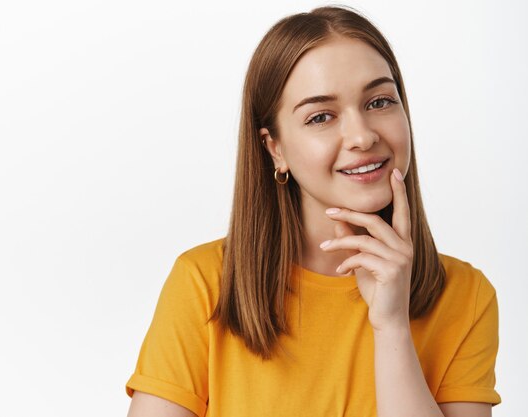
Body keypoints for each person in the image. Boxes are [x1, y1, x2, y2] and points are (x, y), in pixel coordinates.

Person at [125, 5, 501, 417]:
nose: (362, 135)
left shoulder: (465, 296)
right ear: (275, 148)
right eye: (321, 116)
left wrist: (391, 326)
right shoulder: (205, 284)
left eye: (379, 101)